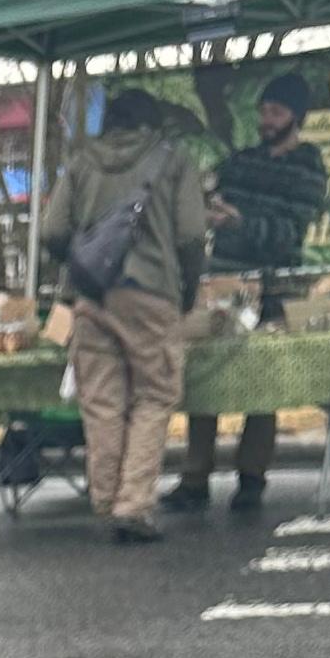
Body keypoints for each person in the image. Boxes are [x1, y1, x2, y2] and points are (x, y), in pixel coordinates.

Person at [40, 88, 207, 544]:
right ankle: (133, 505)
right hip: (152, 293)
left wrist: (81, 257)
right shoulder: (173, 160)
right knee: (155, 394)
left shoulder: (80, 162)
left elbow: (52, 230)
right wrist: (187, 291)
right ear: (151, 124)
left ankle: (107, 498)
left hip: (91, 296)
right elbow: (192, 233)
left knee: (102, 401)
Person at [171, 71, 330, 517]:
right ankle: (194, 475)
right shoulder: (240, 161)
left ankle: (251, 477)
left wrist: (241, 222)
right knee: (204, 373)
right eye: (263, 111)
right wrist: (206, 207)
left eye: (276, 112)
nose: (266, 119)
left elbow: (290, 232)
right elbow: (205, 191)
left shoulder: (308, 169)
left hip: (272, 284)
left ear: (296, 117)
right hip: (220, 281)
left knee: (261, 382)